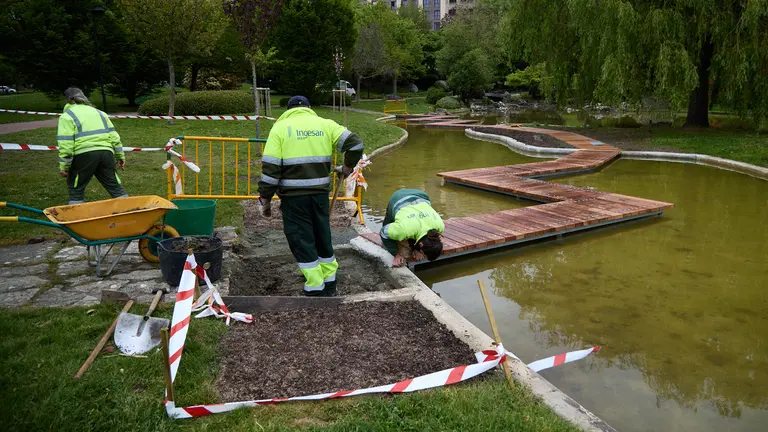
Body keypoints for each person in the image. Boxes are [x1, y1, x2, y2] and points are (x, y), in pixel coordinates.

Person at [258, 96, 364, 296]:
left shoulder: (280, 128)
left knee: (301, 238)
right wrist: (347, 167)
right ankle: (329, 281)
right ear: (308, 108)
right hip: (320, 195)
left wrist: (265, 198)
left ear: (288, 110)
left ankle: (315, 287)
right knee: (321, 235)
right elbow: (355, 144)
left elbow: (271, 169)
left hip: (294, 198)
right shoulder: (326, 125)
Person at [57, 87, 127, 204]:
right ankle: (129, 209)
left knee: (76, 187)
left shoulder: (67, 116)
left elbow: (66, 143)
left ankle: (77, 213)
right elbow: (114, 137)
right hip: (106, 153)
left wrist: (64, 166)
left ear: (67, 100)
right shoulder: (100, 113)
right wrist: (120, 156)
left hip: (83, 155)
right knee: (114, 186)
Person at [379, 189, 445, 267]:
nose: (423, 256)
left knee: (412, 233)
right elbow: (383, 232)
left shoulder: (440, 227)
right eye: (423, 254)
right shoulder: (403, 230)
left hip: (422, 196)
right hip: (399, 199)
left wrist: (417, 250)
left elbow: (421, 238)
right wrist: (396, 253)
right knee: (391, 234)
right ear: (421, 244)